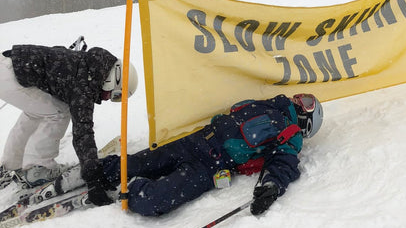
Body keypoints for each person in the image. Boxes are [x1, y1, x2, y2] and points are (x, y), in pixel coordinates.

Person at [57, 93, 323, 216]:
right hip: (196, 141)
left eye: (307, 103)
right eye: (303, 97)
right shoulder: (271, 103)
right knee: (141, 162)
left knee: (155, 200)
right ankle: (94, 172)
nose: (300, 100)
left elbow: (283, 164)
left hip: (211, 167)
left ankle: (128, 191)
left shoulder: (291, 134)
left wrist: (270, 186)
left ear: (307, 120)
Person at [0, 44, 138, 205]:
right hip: (11, 75)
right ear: (112, 80)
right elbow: (82, 132)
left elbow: (57, 53)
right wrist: (93, 178)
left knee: (36, 112)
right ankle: (38, 168)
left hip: (8, 67)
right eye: (115, 95)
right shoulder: (84, 84)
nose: (107, 99)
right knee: (58, 112)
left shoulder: (87, 64)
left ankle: (12, 163)